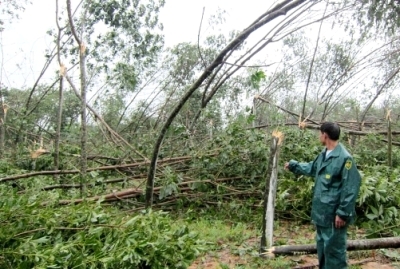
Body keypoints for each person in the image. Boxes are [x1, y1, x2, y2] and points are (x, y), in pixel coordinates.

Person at [284, 122, 361, 269]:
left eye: (320, 133)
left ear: (325, 135)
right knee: (323, 251)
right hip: (321, 214)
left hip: (334, 216)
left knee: (335, 254)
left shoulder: (345, 158)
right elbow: (311, 168)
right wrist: (293, 165)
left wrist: (343, 213)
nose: (319, 136)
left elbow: (351, 187)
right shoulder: (323, 155)